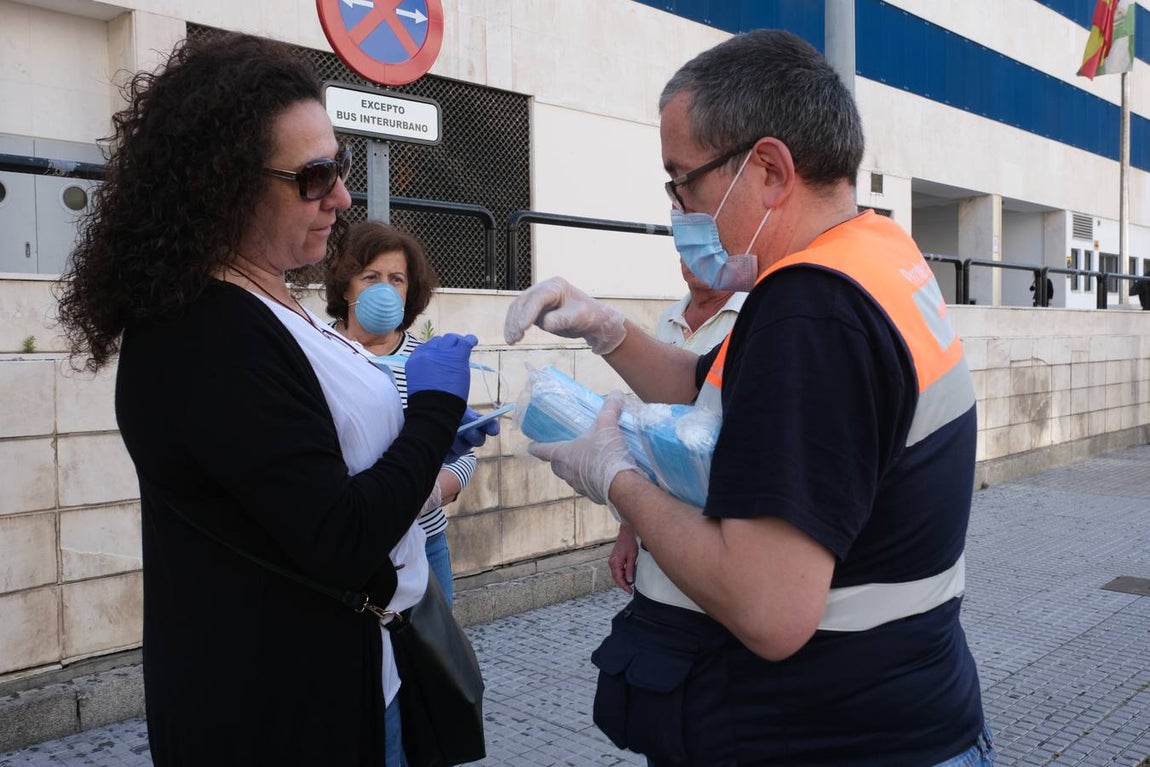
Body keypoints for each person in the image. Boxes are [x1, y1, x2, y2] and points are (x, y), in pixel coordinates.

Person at [504, 29, 991, 767]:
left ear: (767, 169)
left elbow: (770, 609)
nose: (677, 208)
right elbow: (716, 388)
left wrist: (617, 478)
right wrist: (608, 330)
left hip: (832, 739)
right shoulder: (872, 255)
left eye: (684, 181)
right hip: (910, 712)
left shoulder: (810, 312)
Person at [55, 33, 493, 766]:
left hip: (354, 674)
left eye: (341, 164)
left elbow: (304, 461)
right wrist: (433, 412)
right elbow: (339, 535)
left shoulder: (266, 292)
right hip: (283, 708)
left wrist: (416, 440)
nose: (342, 196)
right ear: (223, 183)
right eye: (314, 176)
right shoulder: (202, 334)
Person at [326, 221, 476, 606]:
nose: (385, 289)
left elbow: (463, 456)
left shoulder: (430, 360)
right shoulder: (316, 353)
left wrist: (429, 492)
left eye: (396, 279)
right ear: (346, 286)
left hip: (425, 544)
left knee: (430, 663)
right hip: (344, 547)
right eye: (370, 276)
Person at [609, 260, 744, 593]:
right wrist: (628, 528)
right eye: (686, 247)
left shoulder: (752, 315)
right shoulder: (668, 319)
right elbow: (649, 423)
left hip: (721, 524)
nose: (694, 258)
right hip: (659, 524)